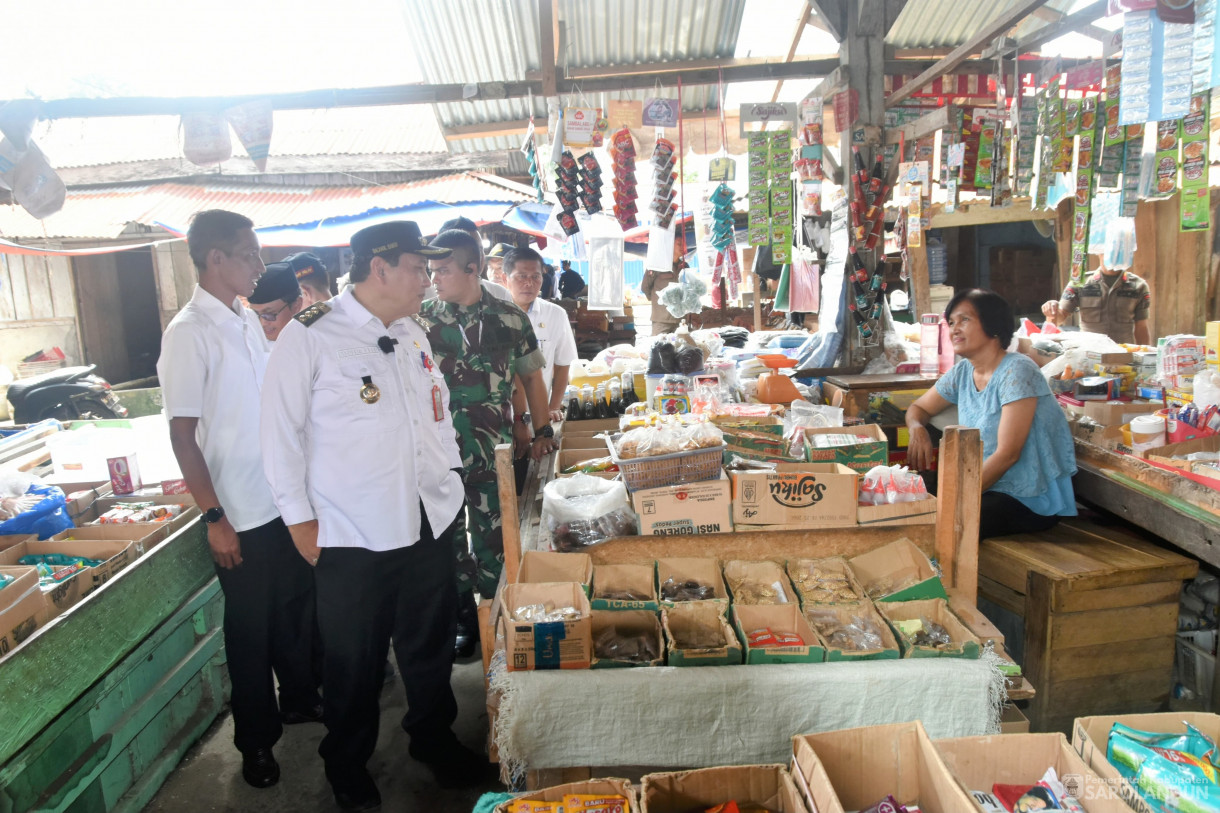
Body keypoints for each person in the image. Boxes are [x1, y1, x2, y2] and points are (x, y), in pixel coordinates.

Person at [261, 221, 485, 811]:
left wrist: (452, 482)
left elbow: (431, 420)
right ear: (380, 269)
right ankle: (347, 764)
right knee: (354, 659)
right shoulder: (309, 336)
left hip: (426, 519)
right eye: (419, 267)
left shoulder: (411, 331)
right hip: (351, 530)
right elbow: (279, 434)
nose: (428, 279)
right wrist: (298, 519)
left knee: (429, 646)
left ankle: (432, 740)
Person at [157, 210, 321, 791]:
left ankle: (300, 700)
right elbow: (182, 434)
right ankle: (256, 741)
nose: (260, 264)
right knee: (250, 633)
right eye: (249, 254)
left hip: (281, 499)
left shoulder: (247, 320)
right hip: (238, 512)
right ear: (216, 259)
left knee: (296, 612)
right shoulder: (189, 333)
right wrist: (214, 518)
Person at [418, 229, 557, 658]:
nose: (434, 278)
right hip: (437, 453)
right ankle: (462, 615)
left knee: (495, 532)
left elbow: (531, 376)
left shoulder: (510, 318)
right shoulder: (420, 321)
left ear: (472, 268)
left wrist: (541, 431)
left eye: (442, 270)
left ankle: (495, 612)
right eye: (431, 270)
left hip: (492, 449)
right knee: (448, 535)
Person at [906, 289, 1077, 540]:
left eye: (965, 320)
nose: (955, 329)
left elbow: (1008, 455)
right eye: (951, 322)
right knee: (903, 503)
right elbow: (918, 409)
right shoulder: (964, 371)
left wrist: (954, 496)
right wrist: (917, 428)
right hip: (983, 486)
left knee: (938, 524)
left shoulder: (1017, 370)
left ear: (993, 326)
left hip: (1028, 498)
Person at [1041, 219, 1151, 344]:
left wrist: (1145, 357)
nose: (1111, 254)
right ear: (1098, 250)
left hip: (1123, 356)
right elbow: (1060, 317)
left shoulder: (1138, 286)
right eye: (1107, 250)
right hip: (1089, 355)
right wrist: (1052, 309)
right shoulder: (1079, 282)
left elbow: (1141, 328)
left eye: (1116, 250)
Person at [436, 215, 512, 302]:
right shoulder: (426, 298)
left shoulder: (500, 294)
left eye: (479, 249)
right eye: (466, 251)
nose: (477, 257)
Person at [248, 261, 305, 342]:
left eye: (269, 314)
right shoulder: (250, 341)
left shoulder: (315, 336)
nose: (263, 323)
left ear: (296, 305)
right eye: (255, 314)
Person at [641, 265, 681, 335]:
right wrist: (656, 299)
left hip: (680, 322)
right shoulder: (656, 264)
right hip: (661, 321)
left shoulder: (684, 265)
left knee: (678, 344)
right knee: (659, 344)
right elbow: (645, 287)